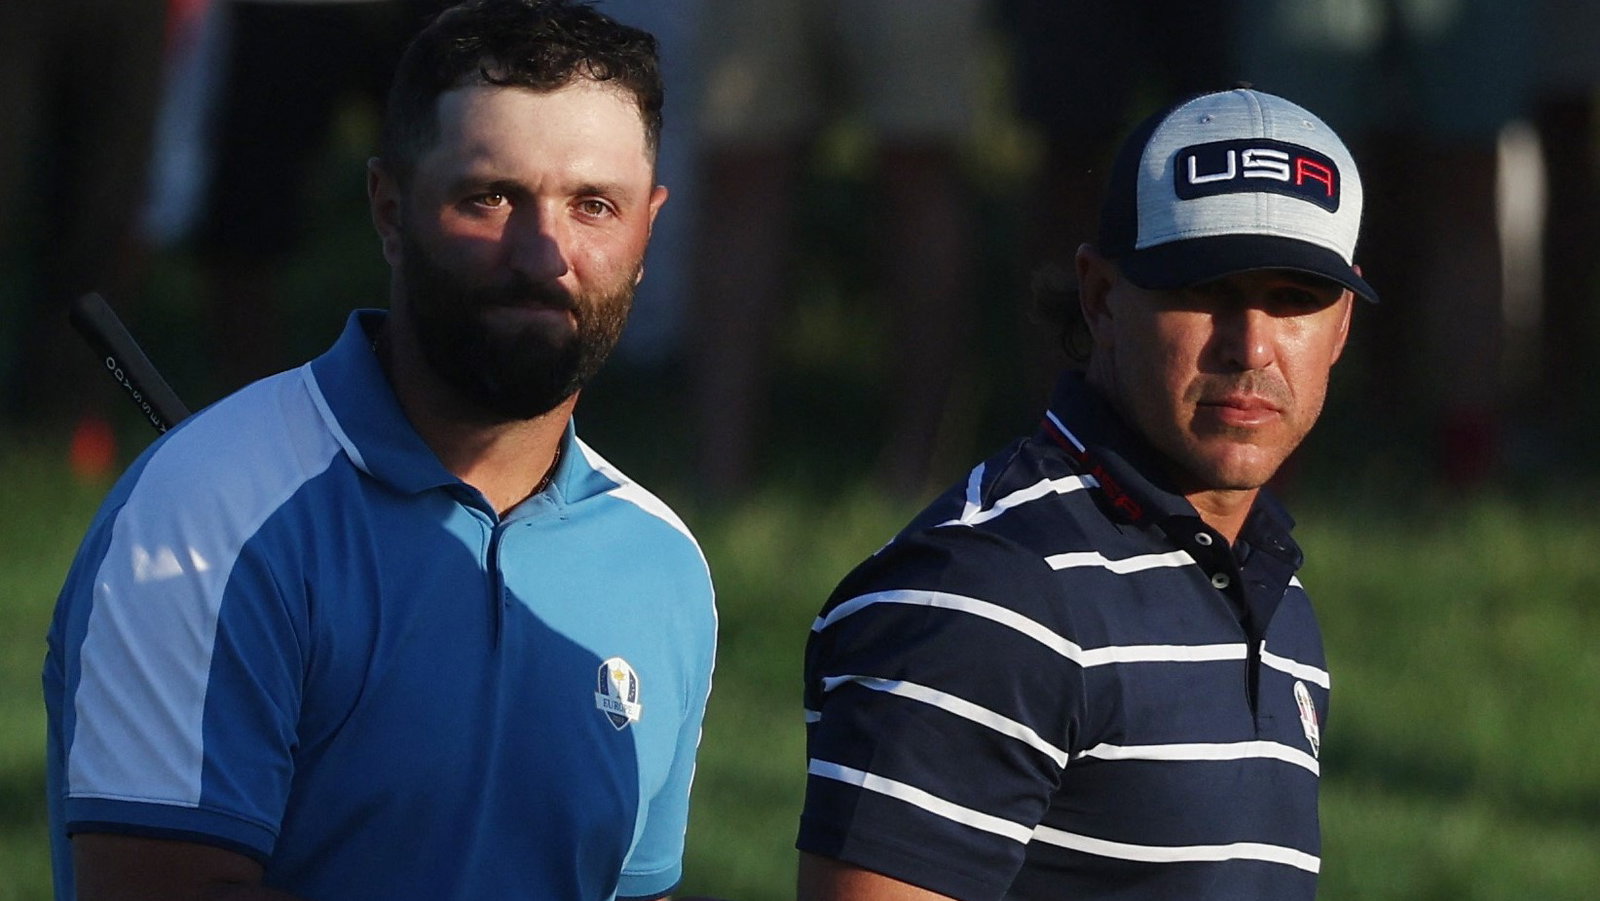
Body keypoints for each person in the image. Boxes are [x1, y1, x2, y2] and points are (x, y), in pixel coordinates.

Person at [43, 2, 716, 900]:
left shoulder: (662, 565)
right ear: (390, 210)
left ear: (647, 230)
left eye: (594, 205)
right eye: (490, 197)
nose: (544, 253)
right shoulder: (206, 518)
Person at [796, 87, 1377, 900]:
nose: (1251, 346)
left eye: (1294, 300)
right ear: (1101, 296)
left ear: (1341, 323)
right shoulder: (983, 593)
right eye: (1205, 288)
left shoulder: (1273, 587)